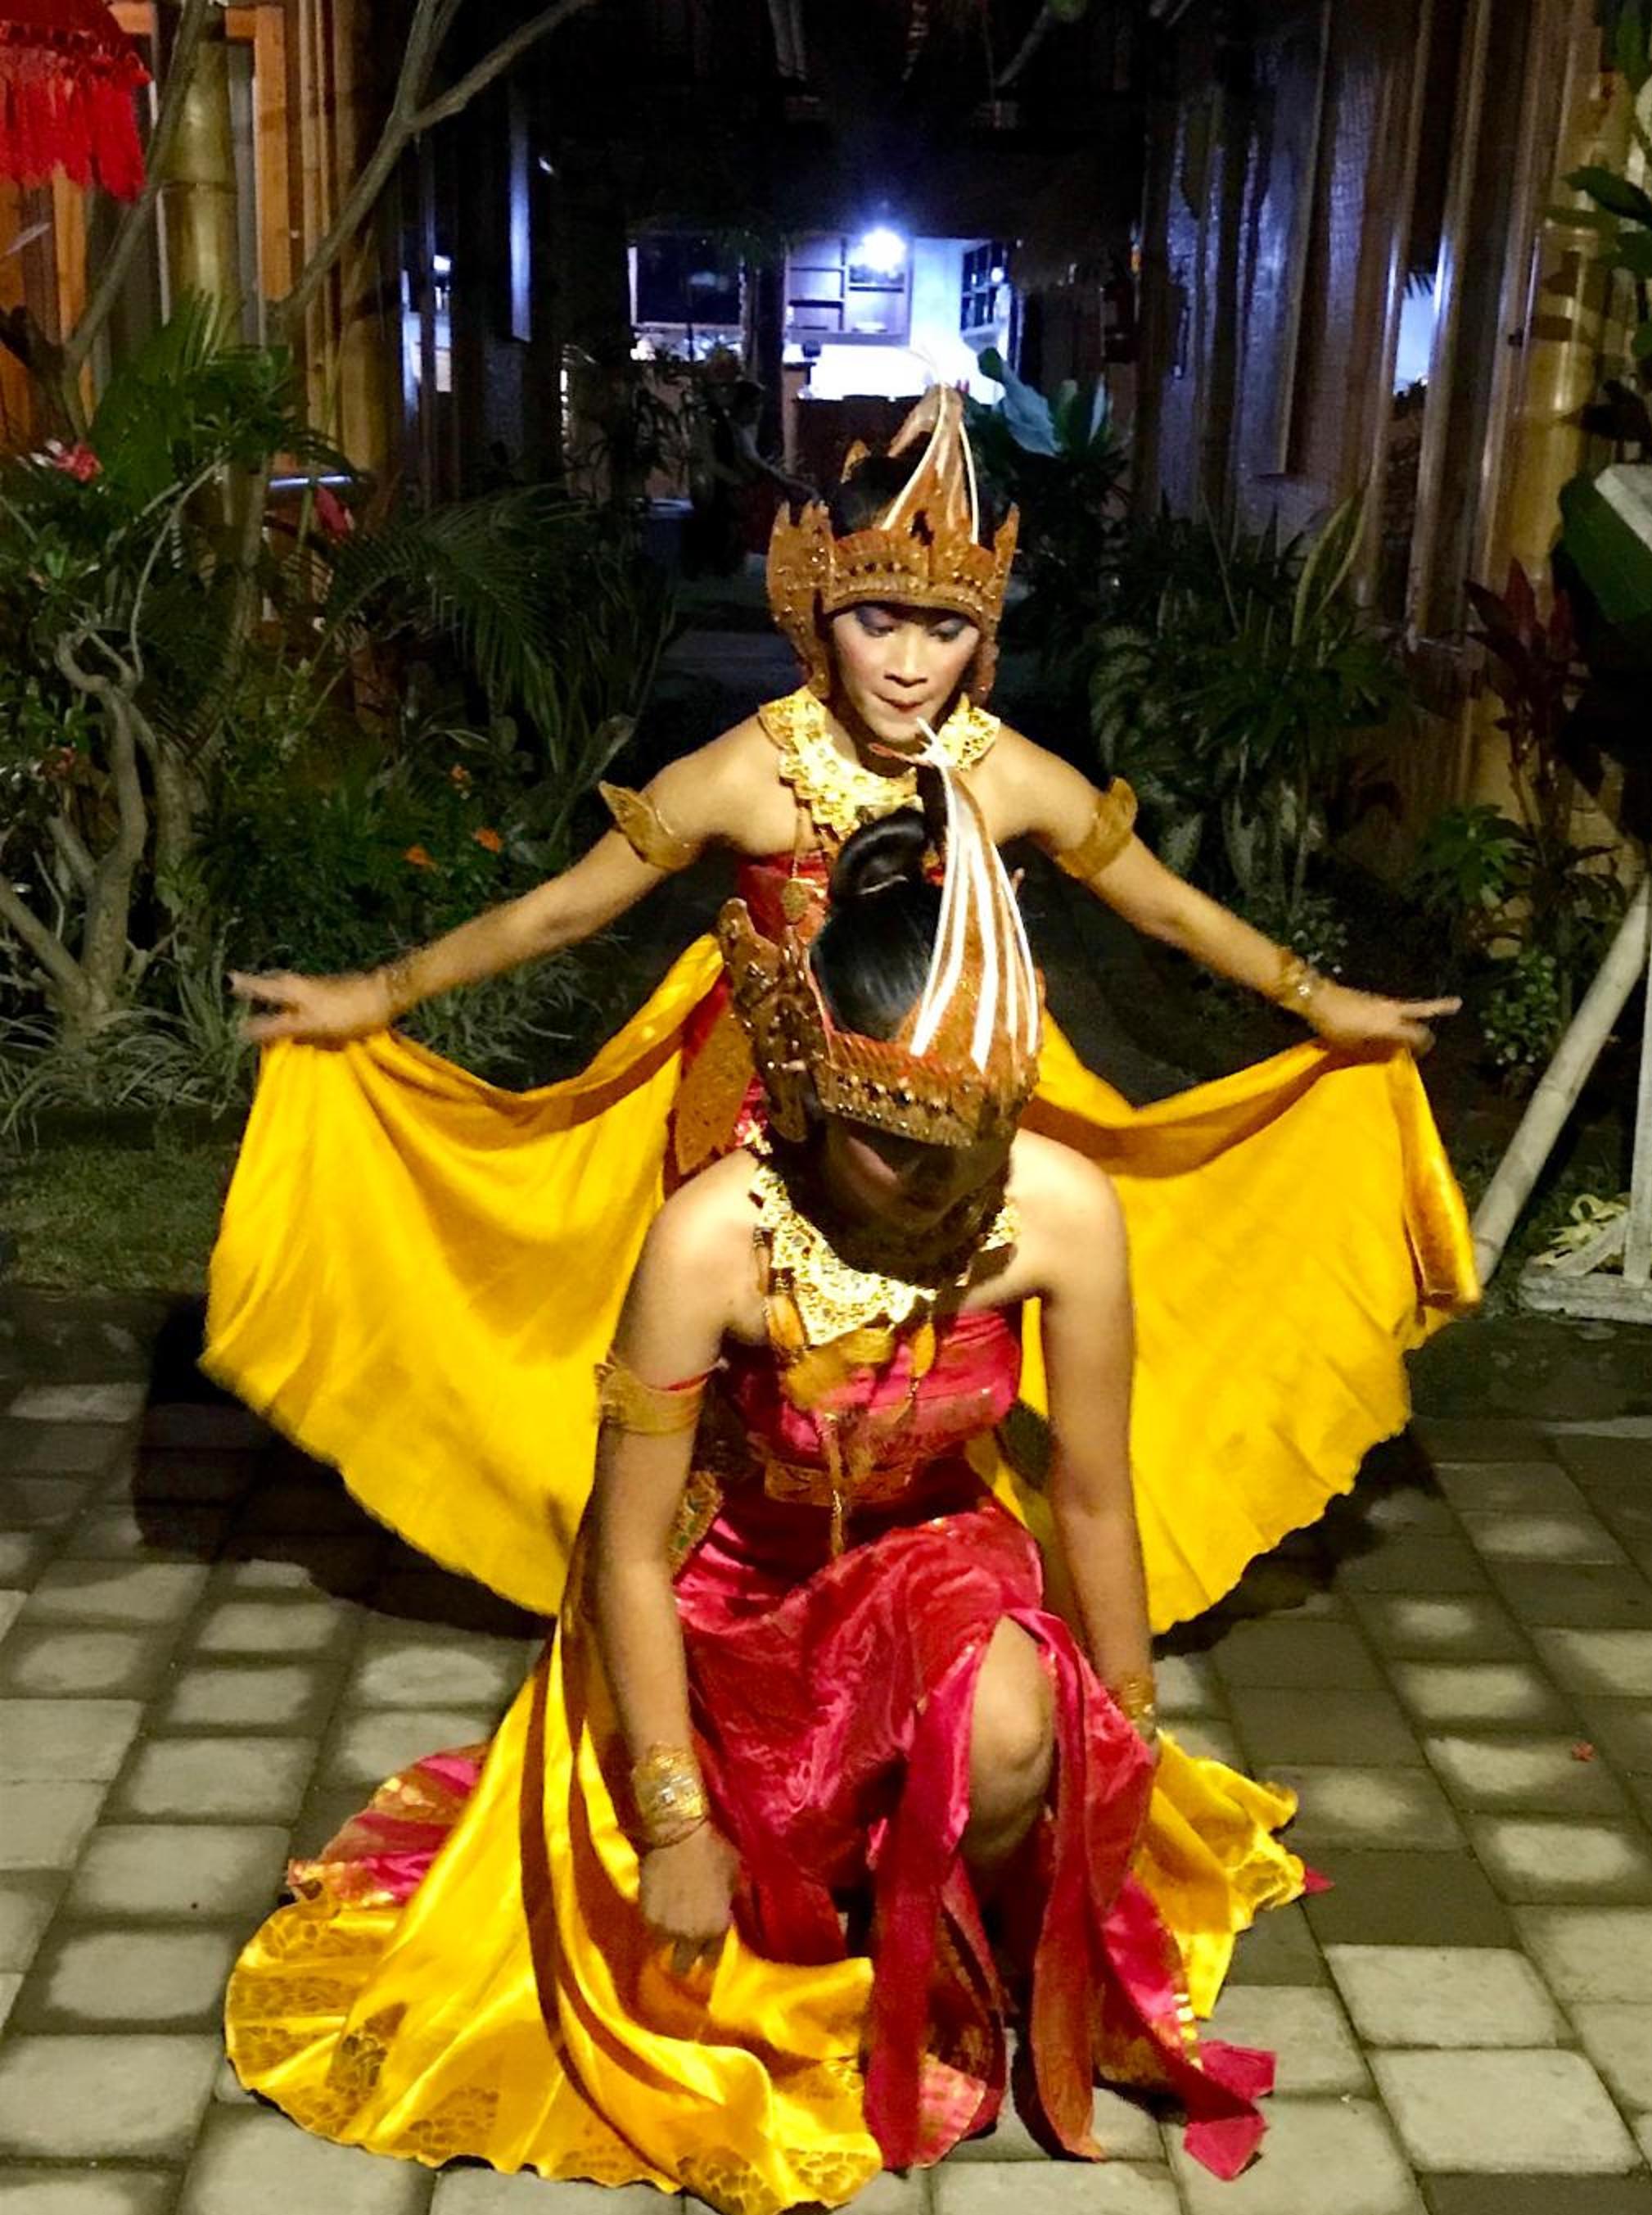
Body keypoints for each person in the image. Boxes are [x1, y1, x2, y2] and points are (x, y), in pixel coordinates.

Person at [210, 386, 1475, 1633]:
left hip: (960, 1120)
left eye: (944, 629)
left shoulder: (1007, 775)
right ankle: (713, 1600)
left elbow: (1166, 908)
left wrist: (1319, 1001)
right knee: (750, 1380)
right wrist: (379, 992)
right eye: (878, 620)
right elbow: (562, 912)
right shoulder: (748, 769)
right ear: (814, 607)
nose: (910, 665)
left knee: (950, 1356)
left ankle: (933, 1576)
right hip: (759, 1119)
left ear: (983, 637)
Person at [224, 781, 1307, 2215]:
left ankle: (937, 1949)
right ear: (800, 1084)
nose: (935, 1192)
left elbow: (1095, 1498)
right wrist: (671, 1818)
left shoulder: (1057, 1209)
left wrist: (1126, 1728)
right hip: (725, 1590)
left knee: (1013, 1732)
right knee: (687, 1949)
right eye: (891, 1146)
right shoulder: (710, 1242)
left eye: (970, 1145)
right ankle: (815, 1902)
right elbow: (622, 1551)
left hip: (931, 1553)